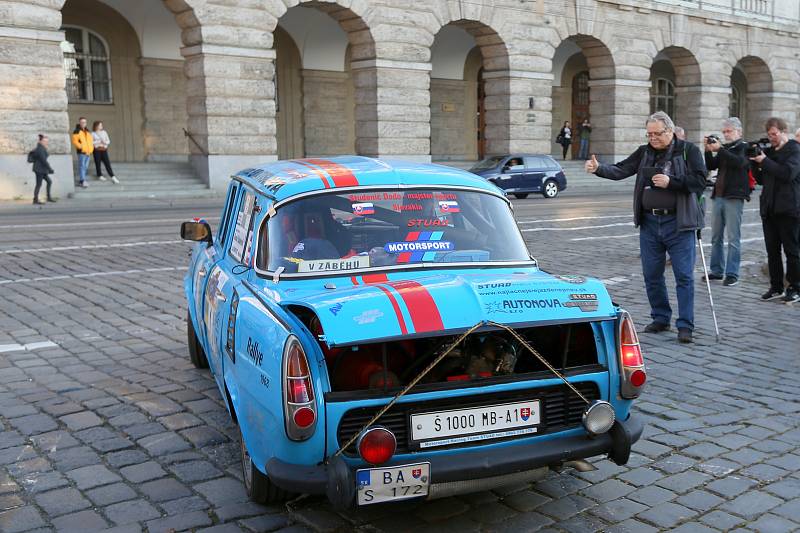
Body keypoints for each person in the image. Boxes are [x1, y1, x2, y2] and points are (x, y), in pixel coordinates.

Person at [585, 111, 706, 343]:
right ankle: (660, 318)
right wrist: (599, 168)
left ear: (669, 131)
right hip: (650, 222)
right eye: (649, 134)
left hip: (679, 223)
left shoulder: (689, 151)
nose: (652, 138)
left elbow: (700, 181)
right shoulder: (644, 152)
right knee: (651, 274)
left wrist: (672, 183)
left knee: (684, 276)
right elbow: (621, 170)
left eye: (657, 134)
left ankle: (685, 325)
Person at [749, 117, 800, 303]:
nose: (771, 138)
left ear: (783, 131)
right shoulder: (769, 152)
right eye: (769, 135)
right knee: (772, 251)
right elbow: (761, 179)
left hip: (789, 209)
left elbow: (787, 174)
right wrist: (755, 162)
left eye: (774, 134)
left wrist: (765, 161)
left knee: (792, 251)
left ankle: (795, 287)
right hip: (769, 209)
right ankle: (776, 286)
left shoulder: (794, 150)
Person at [704, 118, 749, 286]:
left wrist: (720, 149)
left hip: (734, 197)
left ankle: (732, 273)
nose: (726, 134)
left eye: (728, 131)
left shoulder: (745, 147)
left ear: (739, 131)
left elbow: (739, 163)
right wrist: (708, 149)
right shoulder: (726, 149)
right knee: (716, 236)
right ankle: (716, 270)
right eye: (724, 132)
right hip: (719, 196)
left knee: (733, 238)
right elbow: (711, 165)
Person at [28, 134, 56, 204]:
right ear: (40, 141)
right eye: (44, 141)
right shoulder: (40, 149)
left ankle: (48, 197)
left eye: (47, 141)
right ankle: (35, 200)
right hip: (39, 169)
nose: (46, 142)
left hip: (42, 169)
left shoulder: (42, 148)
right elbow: (44, 160)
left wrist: (48, 169)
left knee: (49, 181)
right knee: (39, 184)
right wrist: (50, 169)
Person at [71, 117, 93, 188]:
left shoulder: (87, 131)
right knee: (82, 166)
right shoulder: (77, 131)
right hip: (81, 152)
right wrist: (81, 147)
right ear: (79, 123)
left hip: (88, 152)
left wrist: (90, 149)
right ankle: (82, 181)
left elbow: (90, 141)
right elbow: (75, 141)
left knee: (85, 167)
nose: (83, 123)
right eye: (82, 122)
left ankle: (82, 180)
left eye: (84, 122)